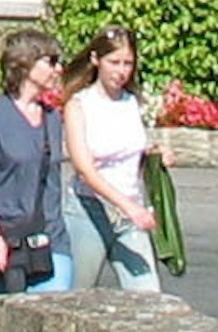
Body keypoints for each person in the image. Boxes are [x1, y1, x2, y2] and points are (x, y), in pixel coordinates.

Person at [0, 28, 73, 332]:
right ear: (25, 64)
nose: (58, 69)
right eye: (51, 61)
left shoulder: (52, 119)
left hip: (47, 241)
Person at [59, 25, 165, 293]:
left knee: (148, 297)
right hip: (90, 209)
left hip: (130, 211)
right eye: (114, 62)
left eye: (127, 63)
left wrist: (154, 156)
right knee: (77, 297)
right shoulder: (79, 105)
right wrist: (129, 207)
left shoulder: (132, 102)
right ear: (96, 61)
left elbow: (132, 151)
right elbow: (84, 168)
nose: (121, 71)